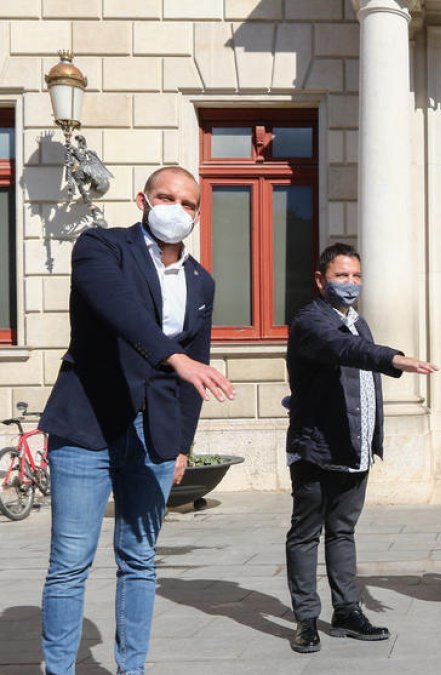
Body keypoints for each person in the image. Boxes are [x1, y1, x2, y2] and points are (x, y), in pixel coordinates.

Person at [39, 166, 236, 675]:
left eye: (188, 203)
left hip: (154, 434)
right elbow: (119, 310)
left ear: (198, 214)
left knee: (140, 560)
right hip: (88, 426)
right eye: (165, 197)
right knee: (69, 563)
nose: (176, 208)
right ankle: (58, 669)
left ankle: (133, 669)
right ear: (142, 201)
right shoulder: (100, 248)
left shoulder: (201, 281)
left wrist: (182, 444)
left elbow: (197, 365)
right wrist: (174, 357)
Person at [284, 243, 438, 654]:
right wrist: (394, 359)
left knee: (343, 532)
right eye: (341, 275)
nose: (350, 284)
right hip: (317, 448)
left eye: (356, 276)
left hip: (355, 449)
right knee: (306, 534)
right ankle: (305, 620)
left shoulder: (359, 322)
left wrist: (372, 440)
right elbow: (341, 350)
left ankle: (347, 612)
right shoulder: (311, 321)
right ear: (321, 280)